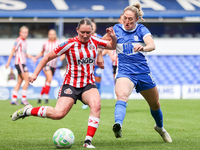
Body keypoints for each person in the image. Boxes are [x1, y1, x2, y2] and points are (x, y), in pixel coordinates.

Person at [11, 18, 117, 148]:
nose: (85, 35)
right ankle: (27, 111)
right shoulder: (69, 44)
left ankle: (87, 141)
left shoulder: (94, 41)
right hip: (71, 84)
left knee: (96, 105)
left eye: (88, 32)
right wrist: (35, 74)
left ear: (91, 32)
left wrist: (113, 37)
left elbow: (112, 46)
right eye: (82, 32)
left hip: (88, 84)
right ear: (77, 30)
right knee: (58, 114)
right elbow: (47, 57)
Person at [103, 3, 172, 142]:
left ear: (137, 19)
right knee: (121, 95)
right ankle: (118, 124)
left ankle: (160, 127)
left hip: (142, 71)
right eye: (125, 18)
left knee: (155, 105)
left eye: (130, 19)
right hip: (125, 71)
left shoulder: (141, 29)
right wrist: (99, 55)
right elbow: (101, 42)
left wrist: (144, 48)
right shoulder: (116, 29)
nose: (126, 22)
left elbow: (152, 45)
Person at [6, 26, 35, 105]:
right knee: (27, 80)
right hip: (20, 63)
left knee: (19, 82)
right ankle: (23, 99)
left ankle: (13, 99)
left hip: (22, 63)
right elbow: (12, 51)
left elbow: (24, 54)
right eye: (23, 32)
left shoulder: (25, 42)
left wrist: (32, 57)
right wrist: (8, 63)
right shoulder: (18, 40)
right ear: (20, 33)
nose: (25, 34)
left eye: (26, 32)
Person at [81, 19, 103, 110]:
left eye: (93, 26)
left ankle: (97, 101)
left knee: (97, 82)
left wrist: (100, 55)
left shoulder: (99, 37)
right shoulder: (84, 37)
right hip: (87, 64)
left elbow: (105, 48)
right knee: (88, 82)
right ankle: (87, 102)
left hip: (97, 64)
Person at [34, 29, 61, 104]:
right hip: (46, 64)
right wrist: (36, 57)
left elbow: (62, 52)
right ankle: (46, 98)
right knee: (49, 79)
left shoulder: (58, 43)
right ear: (48, 35)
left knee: (47, 82)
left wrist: (62, 56)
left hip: (54, 65)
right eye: (50, 34)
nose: (52, 35)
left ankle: (40, 97)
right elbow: (42, 52)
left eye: (53, 34)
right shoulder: (45, 43)